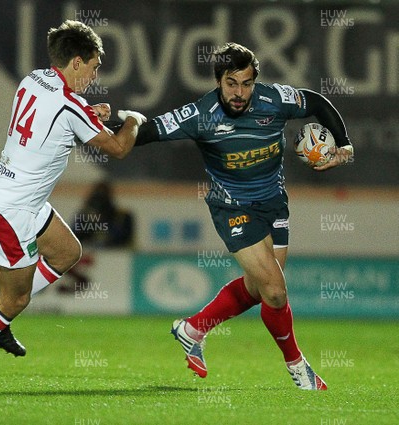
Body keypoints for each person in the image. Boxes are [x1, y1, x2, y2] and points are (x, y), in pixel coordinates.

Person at [0, 20, 146, 385]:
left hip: (20, 200)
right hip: (8, 211)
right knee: (14, 299)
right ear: (76, 62)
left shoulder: (33, 79)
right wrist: (134, 121)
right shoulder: (71, 104)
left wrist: (90, 114)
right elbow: (119, 147)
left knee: (67, 254)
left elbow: (55, 118)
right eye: (94, 67)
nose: (94, 76)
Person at [133, 43, 354, 390]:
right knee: (277, 293)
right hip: (232, 208)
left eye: (247, 83)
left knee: (260, 289)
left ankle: (192, 330)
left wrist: (344, 143)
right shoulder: (200, 114)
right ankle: (298, 368)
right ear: (218, 81)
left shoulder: (275, 99)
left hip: (274, 204)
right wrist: (110, 120)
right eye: (231, 83)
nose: (240, 93)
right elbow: (145, 131)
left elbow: (318, 103)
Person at [73, 180, 134, 248]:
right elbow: (74, 238)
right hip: (89, 252)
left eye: (103, 198)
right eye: (97, 198)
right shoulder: (84, 218)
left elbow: (123, 239)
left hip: (116, 255)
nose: (100, 203)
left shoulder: (122, 217)